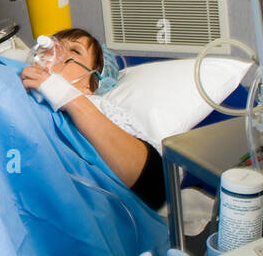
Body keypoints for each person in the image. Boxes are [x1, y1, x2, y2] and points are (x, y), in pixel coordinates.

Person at [19, 27, 166, 210]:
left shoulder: (99, 106)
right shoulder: (12, 76)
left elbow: (156, 185)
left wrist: (64, 95)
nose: (54, 50)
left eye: (74, 50)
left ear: (89, 84)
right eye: (54, 43)